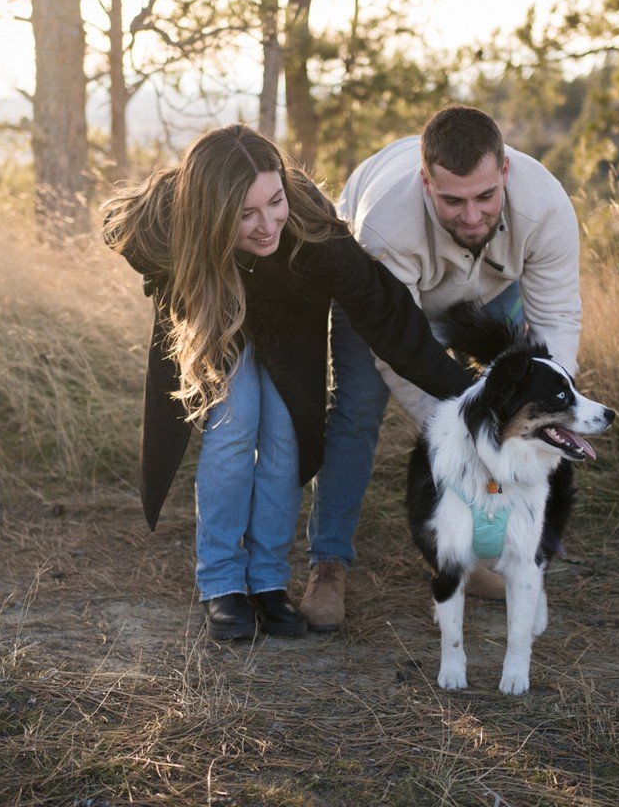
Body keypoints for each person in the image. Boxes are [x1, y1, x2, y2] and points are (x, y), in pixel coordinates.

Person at [103, 124, 472, 642]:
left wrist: (466, 389)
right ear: (211, 211)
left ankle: (269, 583)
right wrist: (165, 274)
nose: (265, 224)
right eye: (244, 214)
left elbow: (388, 316)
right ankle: (223, 585)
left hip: (289, 334)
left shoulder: (312, 222)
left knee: (283, 436)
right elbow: (120, 226)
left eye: (273, 202)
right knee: (234, 427)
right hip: (221, 322)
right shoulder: (173, 212)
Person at [301, 105, 583, 632]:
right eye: (453, 200)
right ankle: (328, 563)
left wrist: (547, 414)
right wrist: (461, 432)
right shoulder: (383, 226)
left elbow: (557, 322)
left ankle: (469, 554)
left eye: (484, 197)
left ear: (505, 173)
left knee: (510, 412)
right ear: (425, 182)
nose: (472, 216)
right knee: (357, 413)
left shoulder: (545, 206)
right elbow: (397, 350)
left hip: (489, 293)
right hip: (387, 305)